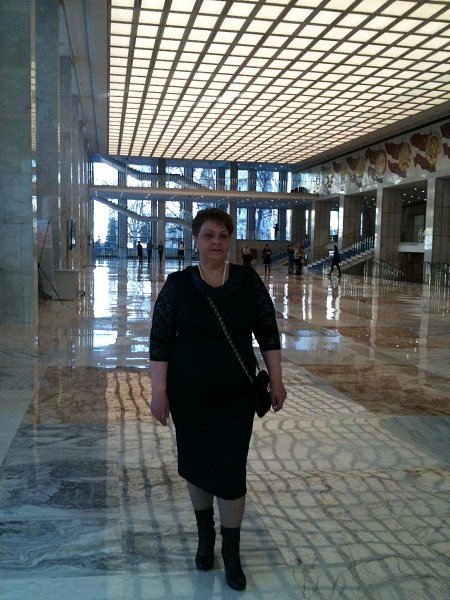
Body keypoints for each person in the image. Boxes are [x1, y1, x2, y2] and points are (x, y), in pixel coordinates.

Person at [150, 208, 286, 591]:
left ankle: (231, 549)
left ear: (230, 242)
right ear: (195, 240)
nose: (216, 242)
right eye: (209, 235)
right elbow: (160, 340)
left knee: (230, 469)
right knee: (196, 465)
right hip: (189, 395)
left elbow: (268, 332)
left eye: (223, 235)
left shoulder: (247, 282)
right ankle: (205, 536)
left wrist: (277, 380)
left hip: (235, 396)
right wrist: (158, 392)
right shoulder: (177, 285)